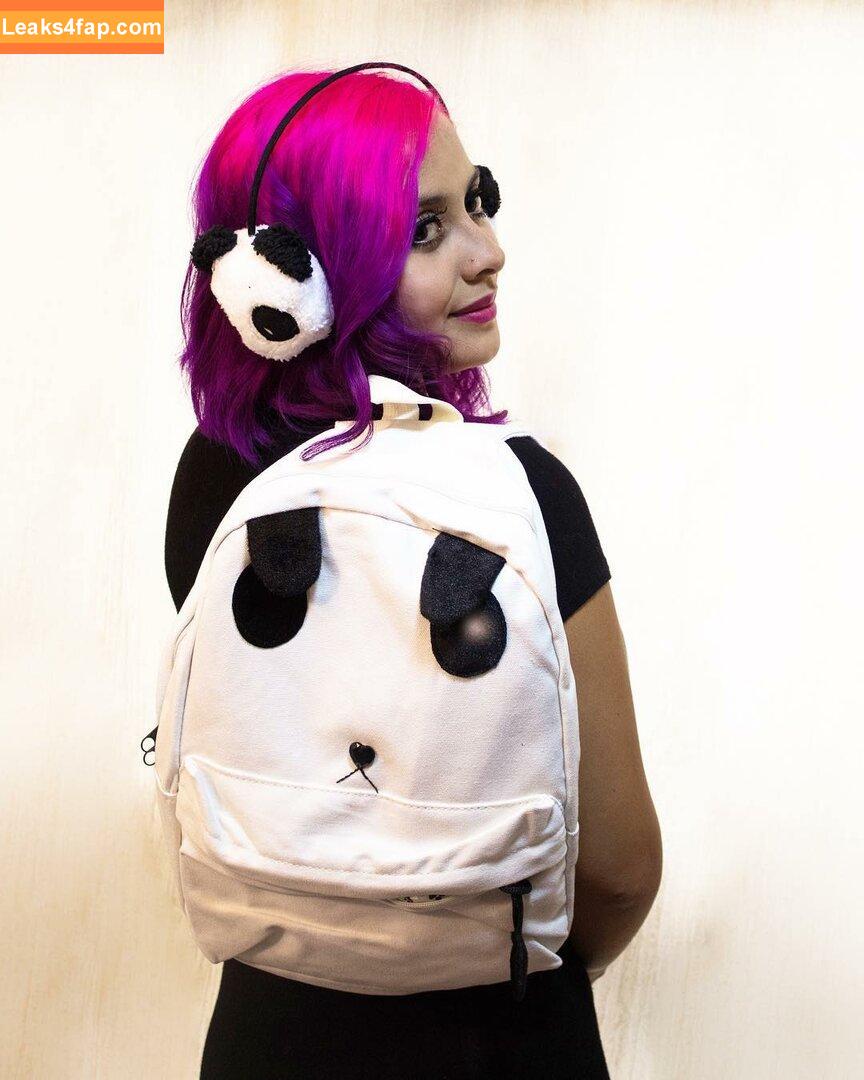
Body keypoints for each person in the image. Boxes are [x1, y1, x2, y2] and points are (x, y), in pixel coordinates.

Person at [163, 66, 662, 1080]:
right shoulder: (525, 492)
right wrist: (527, 960)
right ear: (289, 277)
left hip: (270, 1036)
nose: (489, 250)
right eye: (426, 230)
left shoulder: (217, 476)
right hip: (503, 1038)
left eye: (478, 201)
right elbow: (620, 868)